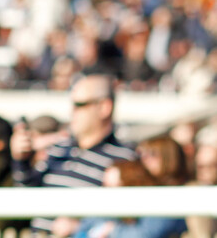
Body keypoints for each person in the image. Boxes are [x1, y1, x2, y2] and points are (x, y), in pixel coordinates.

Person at [11, 73, 137, 235]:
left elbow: (127, 221)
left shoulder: (126, 158)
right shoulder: (58, 149)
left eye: (79, 104)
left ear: (105, 107)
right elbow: (25, 198)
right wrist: (21, 161)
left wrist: (81, 227)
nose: (72, 112)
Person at [74, 159, 187, 238]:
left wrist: (113, 231)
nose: (107, 192)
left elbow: (144, 235)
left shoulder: (159, 206)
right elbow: (81, 233)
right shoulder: (105, 208)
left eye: (114, 187)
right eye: (105, 186)